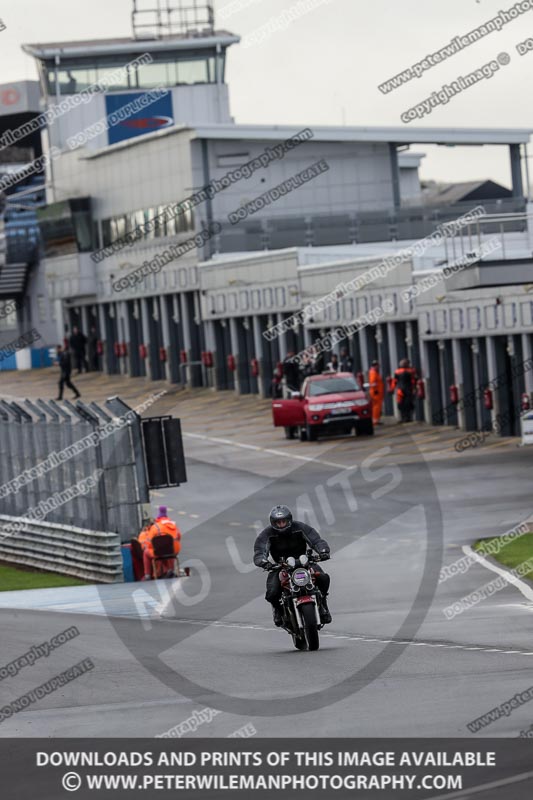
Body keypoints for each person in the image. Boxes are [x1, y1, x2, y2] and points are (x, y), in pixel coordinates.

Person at [253, 505, 332, 627]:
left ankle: (323, 604)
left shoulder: (300, 527)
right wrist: (264, 562)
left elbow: (316, 540)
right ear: (273, 523)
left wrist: (323, 551)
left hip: (304, 562)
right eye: (278, 522)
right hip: (280, 566)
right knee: (272, 592)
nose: (281, 524)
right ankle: (278, 610)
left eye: (284, 521)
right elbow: (260, 550)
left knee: (323, 578)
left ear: (289, 520)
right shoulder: (267, 534)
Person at [141, 505, 182, 580]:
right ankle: (171, 570)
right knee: (170, 547)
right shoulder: (174, 525)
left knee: (146, 552)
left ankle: (147, 575)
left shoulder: (155, 527)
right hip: (173, 552)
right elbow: (179, 537)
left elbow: (150, 543)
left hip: (158, 553)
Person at [393, 358, 417, 423]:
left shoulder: (399, 371)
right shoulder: (410, 371)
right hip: (405, 389)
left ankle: (405, 417)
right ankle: (405, 417)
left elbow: (395, 381)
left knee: (404, 403)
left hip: (403, 389)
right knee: (404, 404)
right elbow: (413, 381)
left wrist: (392, 388)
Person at [368, 360, 385, 425]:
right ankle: (375, 420)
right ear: (375, 365)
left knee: (377, 406)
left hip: (377, 392)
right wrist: (375, 391)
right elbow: (373, 383)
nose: (379, 367)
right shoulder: (373, 372)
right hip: (376, 393)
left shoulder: (374, 372)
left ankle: (376, 419)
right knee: (376, 407)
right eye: (378, 366)